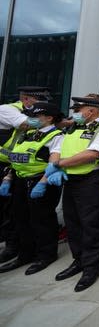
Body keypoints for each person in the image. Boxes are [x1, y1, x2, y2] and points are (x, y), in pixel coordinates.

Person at [47, 94, 99, 291]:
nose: (76, 113)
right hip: (70, 179)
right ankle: (78, 260)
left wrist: (58, 164)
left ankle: (92, 265)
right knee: (73, 222)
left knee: (92, 223)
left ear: (91, 110)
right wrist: (55, 164)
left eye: (79, 110)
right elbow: (58, 147)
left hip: (91, 180)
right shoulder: (74, 127)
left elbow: (93, 154)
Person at [0, 102, 63, 275]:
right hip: (20, 180)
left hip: (40, 181)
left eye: (36, 116)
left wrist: (43, 183)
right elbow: (17, 157)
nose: (31, 119)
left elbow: (54, 162)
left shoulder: (56, 135)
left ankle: (46, 255)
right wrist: (8, 178)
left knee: (41, 220)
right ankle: (25, 254)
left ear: (49, 118)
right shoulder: (27, 133)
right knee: (20, 218)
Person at [0, 86, 51, 263]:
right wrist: (58, 120)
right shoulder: (8, 110)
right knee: (10, 211)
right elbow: (26, 124)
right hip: (6, 165)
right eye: (39, 102)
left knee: (14, 211)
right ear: (27, 100)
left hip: (18, 169)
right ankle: (12, 246)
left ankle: (17, 246)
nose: (42, 107)